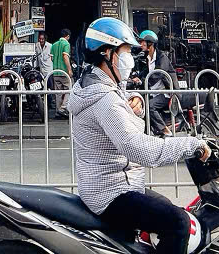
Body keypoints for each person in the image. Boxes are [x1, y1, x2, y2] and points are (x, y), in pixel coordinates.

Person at [69, 16, 209, 254]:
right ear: (107, 53)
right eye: (125, 51)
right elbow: (136, 147)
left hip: (113, 185)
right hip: (111, 192)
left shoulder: (94, 84)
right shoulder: (104, 99)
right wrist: (190, 145)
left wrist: (136, 101)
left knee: (167, 208)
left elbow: (118, 102)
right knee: (178, 223)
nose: (130, 58)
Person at [136, 29, 175, 135]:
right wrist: (136, 78)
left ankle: (164, 129)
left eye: (143, 42)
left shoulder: (161, 57)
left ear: (150, 43)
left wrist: (142, 81)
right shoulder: (148, 58)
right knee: (141, 103)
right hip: (154, 92)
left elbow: (157, 75)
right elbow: (145, 72)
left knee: (149, 105)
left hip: (166, 93)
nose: (141, 45)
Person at [49, 27, 73, 118]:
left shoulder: (54, 45)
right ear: (68, 36)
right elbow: (65, 57)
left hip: (55, 72)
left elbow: (52, 58)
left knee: (58, 92)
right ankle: (63, 108)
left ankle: (58, 111)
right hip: (64, 72)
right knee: (69, 89)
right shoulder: (66, 44)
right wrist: (69, 70)